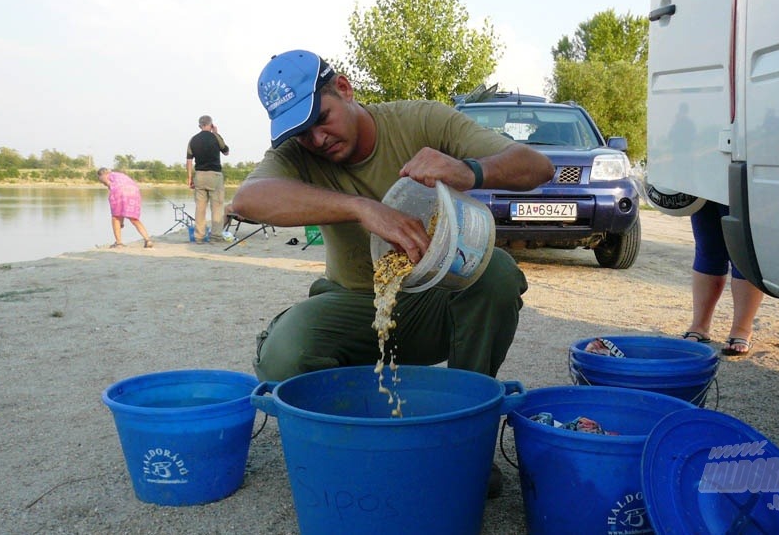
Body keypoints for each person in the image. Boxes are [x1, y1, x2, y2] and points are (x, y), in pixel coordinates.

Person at [229, 49, 554, 497]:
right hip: (355, 303)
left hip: (434, 299)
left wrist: (469, 170)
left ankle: (469, 436)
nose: (317, 139)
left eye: (321, 119)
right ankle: (363, 439)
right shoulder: (297, 154)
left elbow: (538, 166)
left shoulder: (422, 121)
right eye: (301, 133)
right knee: (282, 355)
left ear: (343, 88)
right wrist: (361, 208)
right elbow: (246, 201)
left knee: (496, 272)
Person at [681, 201, 765, 356]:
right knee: (707, 248)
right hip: (706, 182)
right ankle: (699, 326)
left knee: (744, 251)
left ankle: (741, 329)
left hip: (743, 180)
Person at [186, 115, 232, 242]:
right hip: (215, 175)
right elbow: (226, 151)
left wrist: (190, 177)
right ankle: (216, 236)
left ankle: (199, 236)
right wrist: (217, 133)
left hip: (199, 175)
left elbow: (189, 160)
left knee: (200, 208)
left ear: (200, 125)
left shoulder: (193, 140)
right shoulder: (215, 137)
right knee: (217, 207)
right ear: (211, 125)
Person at [96, 167, 154, 249]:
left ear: (102, 174)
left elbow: (112, 186)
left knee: (115, 217)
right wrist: (122, 222)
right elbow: (122, 209)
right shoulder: (120, 175)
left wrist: (120, 221)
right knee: (134, 218)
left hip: (120, 192)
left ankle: (119, 243)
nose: (101, 182)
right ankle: (148, 240)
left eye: (99, 179)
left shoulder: (104, 175)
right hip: (134, 192)